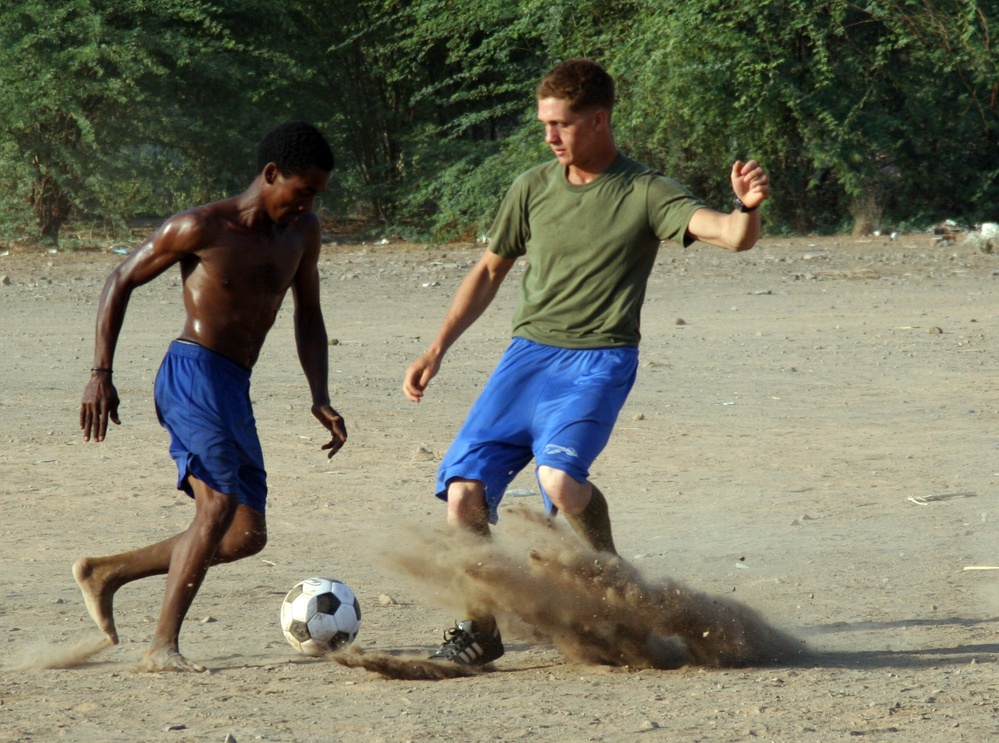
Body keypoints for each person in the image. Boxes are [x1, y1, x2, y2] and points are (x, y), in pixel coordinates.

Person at [402, 59, 770, 666]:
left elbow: (731, 235)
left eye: (561, 125)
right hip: (525, 360)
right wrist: (437, 347)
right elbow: (489, 270)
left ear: (598, 121)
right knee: (463, 496)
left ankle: (609, 576)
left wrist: (747, 207)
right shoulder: (532, 187)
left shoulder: (646, 191)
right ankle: (478, 629)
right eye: (544, 123)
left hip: (598, 361)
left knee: (560, 482)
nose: (549, 137)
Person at [74, 121, 348, 673]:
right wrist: (101, 371)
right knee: (217, 505)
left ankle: (109, 573)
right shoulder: (201, 226)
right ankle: (162, 647)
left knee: (246, 535)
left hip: (235, 385)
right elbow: (120, 278)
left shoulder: (303, 234)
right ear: (272, 175)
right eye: (303, 192)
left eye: (316, 195)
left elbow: (309, 314)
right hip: (192, 372)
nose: (308, 205)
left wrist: (319, 394)